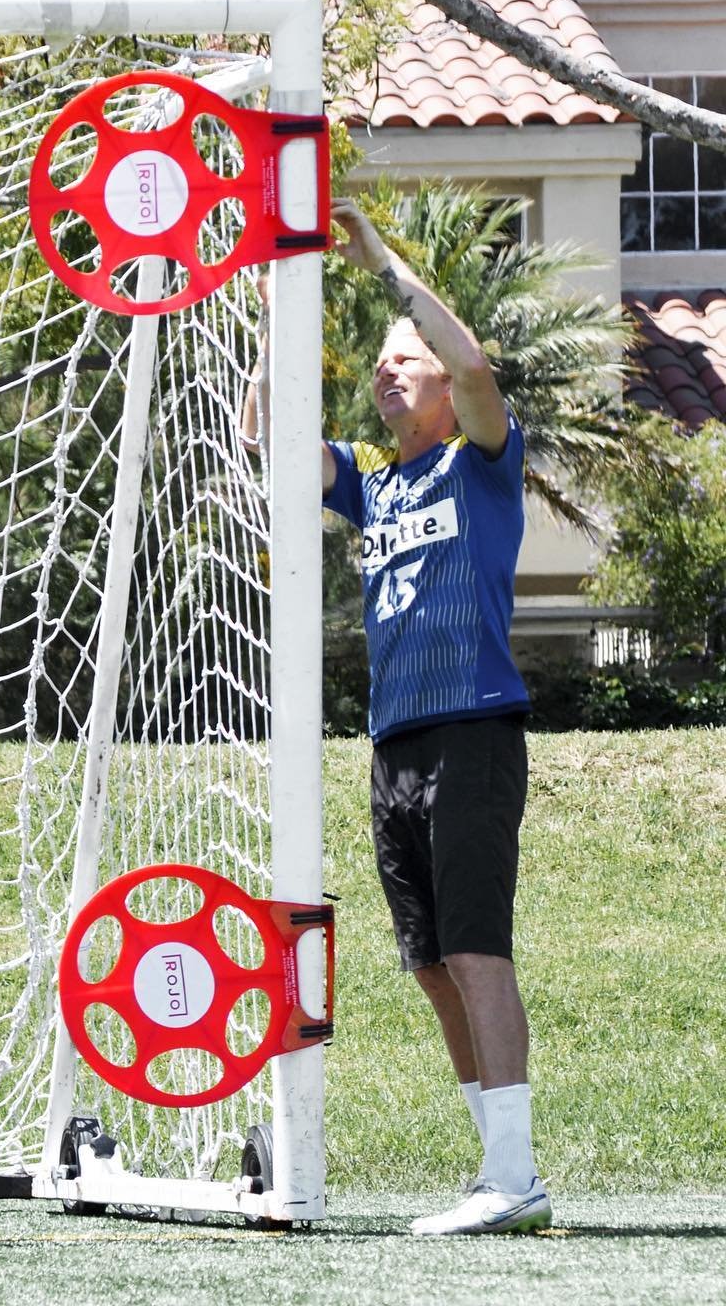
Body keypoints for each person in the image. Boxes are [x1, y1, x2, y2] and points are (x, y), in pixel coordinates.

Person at [243, 199, 550, 1236]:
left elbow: (472, 367)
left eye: (400, 358)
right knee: (426, 964)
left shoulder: (481, 460)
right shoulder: (374, 487)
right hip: (395, 747)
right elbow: (262, 432)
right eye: (376, 364)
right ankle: (497, 1170)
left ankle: (515, 1175)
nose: (387, 372)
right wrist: (288, 293)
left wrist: (377, 262)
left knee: (475, 950)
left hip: (475, 732)